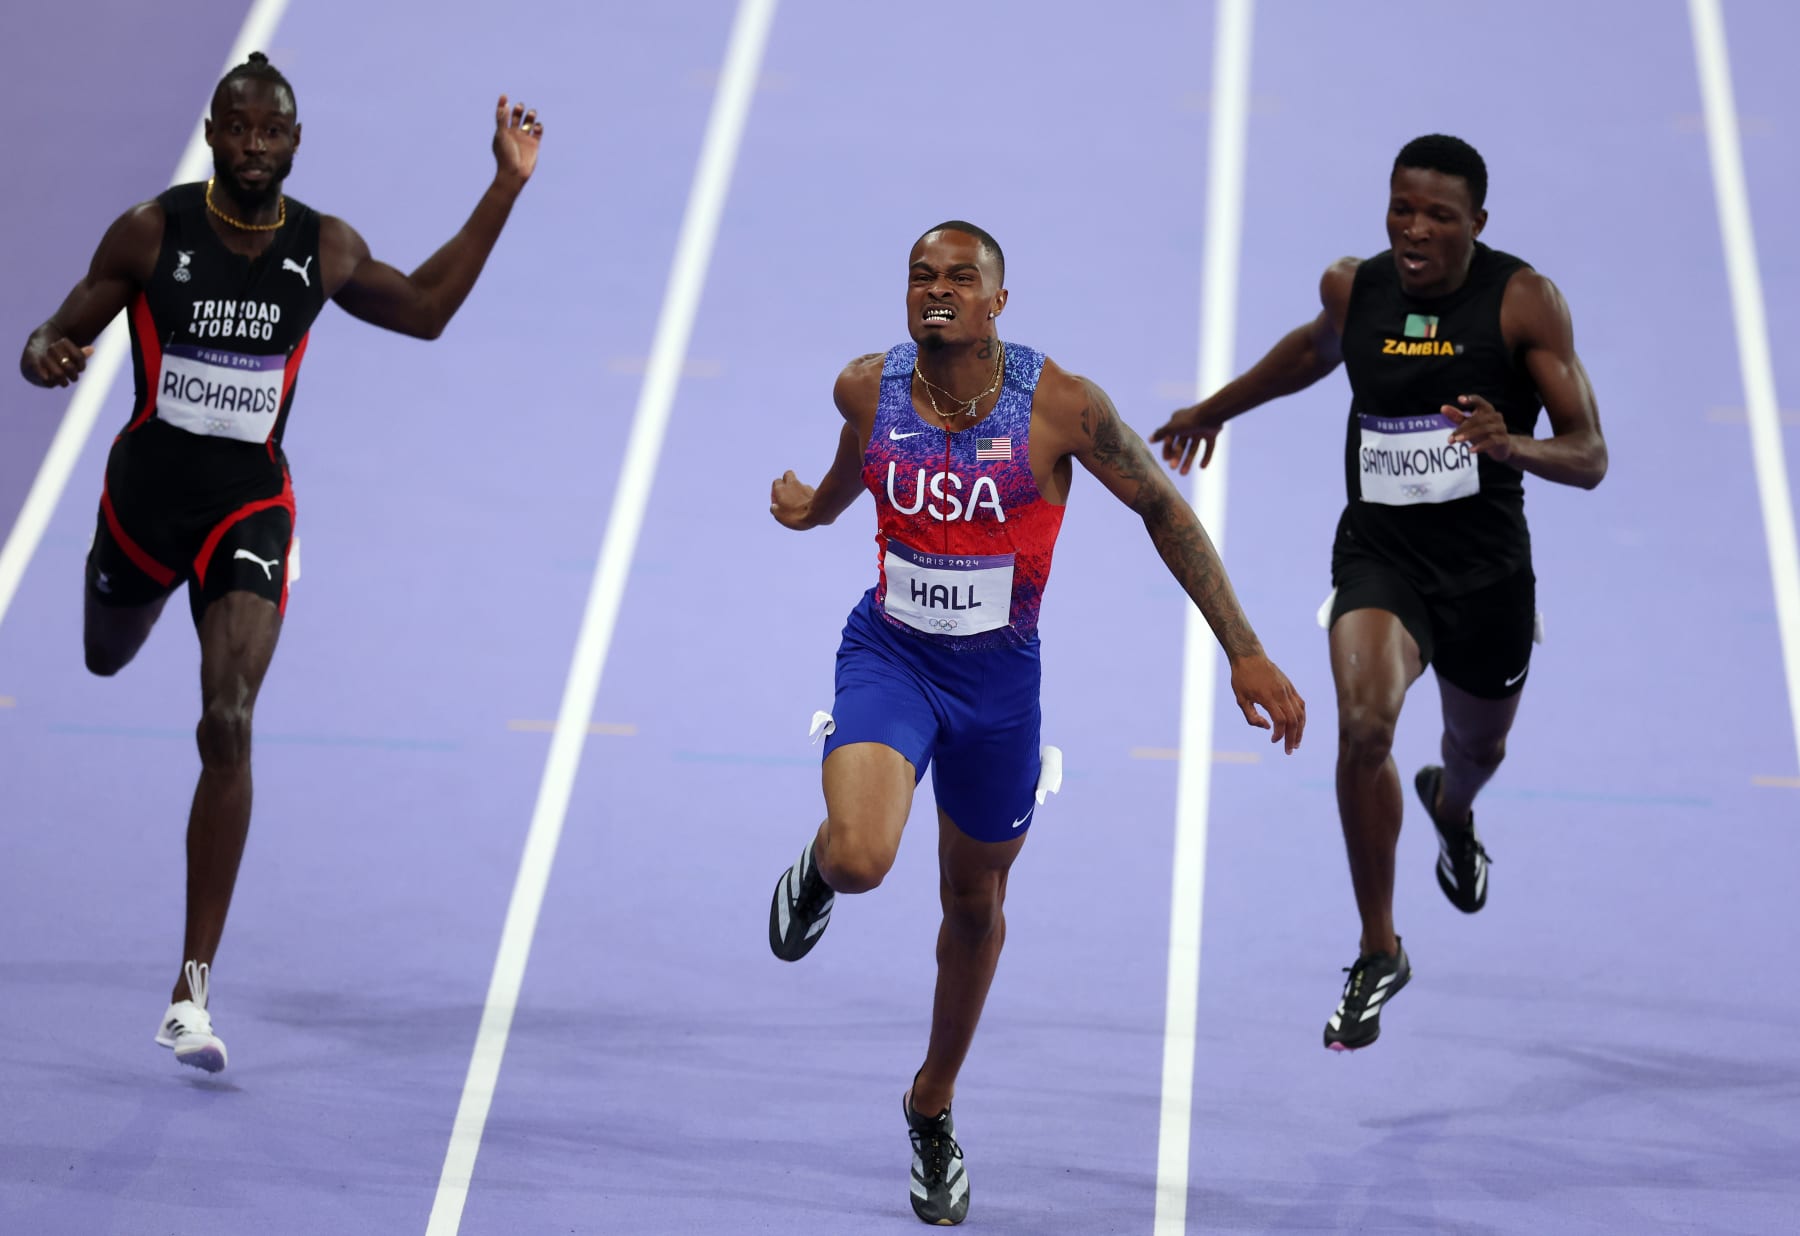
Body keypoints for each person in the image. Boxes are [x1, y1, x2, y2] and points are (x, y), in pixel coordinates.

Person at [766, 221, 1306, 1225]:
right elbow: (858, 456)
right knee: (860, 859)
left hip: (1000, 691)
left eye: (960, 278)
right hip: (890, 657)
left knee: (973, 906)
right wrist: (820, 511)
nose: (938, 290)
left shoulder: (1060, 406)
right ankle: (823, 863)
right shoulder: (865, 386)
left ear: (996, 303)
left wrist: (1244, 647)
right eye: (922, 275)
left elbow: (1165, 511)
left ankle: (931, 1105)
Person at [17, 53, 544, 1074]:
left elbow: (428, 307)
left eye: (272, 133)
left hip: (248, 509)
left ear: (295, 145)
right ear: (213, 133)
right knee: (103, 656)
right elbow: (56, 330)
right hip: (141, 508)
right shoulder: (149, 232)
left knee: (229, 718)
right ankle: (122, 594)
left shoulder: (324, 248)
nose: (254, 147)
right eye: (238, 129)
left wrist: (504, 185)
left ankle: (191, 988)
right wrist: (45, 353)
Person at [1150, 135, 1608, 1052]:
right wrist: (1214, 410)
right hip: (1380, 558)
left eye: (1440, 215)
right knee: (1363, 727)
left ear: (1478, 223)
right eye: (1403, 207)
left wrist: (1512, 444)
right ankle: (1378, 946)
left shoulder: (1522, 304)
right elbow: (1315, 351)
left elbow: (1590, 453)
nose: (1415, 228)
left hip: (1486, 576)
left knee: (1477, 748)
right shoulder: (1355, 288)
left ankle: (1453, 806)